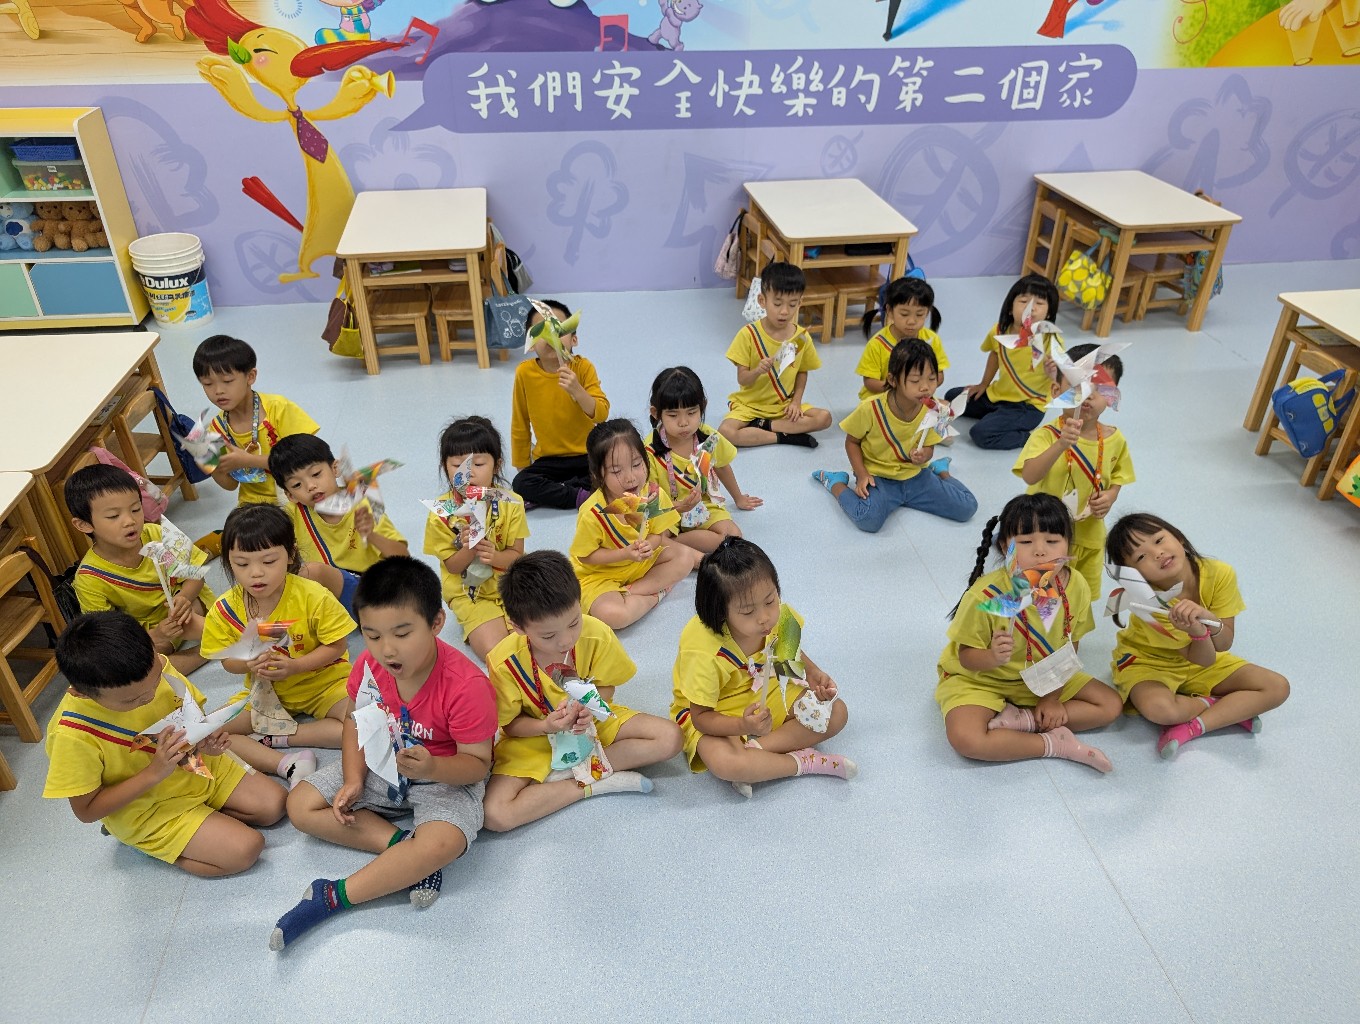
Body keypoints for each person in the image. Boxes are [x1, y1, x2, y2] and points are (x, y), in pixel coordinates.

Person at [271, 557, 498, 950]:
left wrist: (434, 767)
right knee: (300, 805)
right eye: (372, 635)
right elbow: (354, 722)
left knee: (442, 843)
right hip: (380, 764)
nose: (387, 649)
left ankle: (331, 896)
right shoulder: (369, 664)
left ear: (436, 622)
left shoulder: (467, 686)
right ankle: (404, 851)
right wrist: (354, 778)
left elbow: (478, 766)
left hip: (445, 777)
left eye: (402, 633)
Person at [43, 610, 285, 875]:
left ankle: (205, 822)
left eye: (156, 680)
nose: (149, 696)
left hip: (195, 767)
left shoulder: (154, 664)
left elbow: (190, 718)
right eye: (131, 700)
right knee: (246, 850)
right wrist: (154, 773)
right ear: (80, 693)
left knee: (274, 805)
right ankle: (145, 845)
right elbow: (87, 811)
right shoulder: (71, 735)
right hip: (148, 808)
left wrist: (206, 741)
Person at [481, 550, 682, 831]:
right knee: (495, 814)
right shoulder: (504, 663)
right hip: (533, 737)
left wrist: (591, 705)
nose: (566, 640)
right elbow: (510, 725)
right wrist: (546, 726)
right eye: (548, 635)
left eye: (574, 622)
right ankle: (594, 781)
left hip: (590, 724)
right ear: (517, 627)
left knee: (670, 738)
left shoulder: (595, 633)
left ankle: (569, 776)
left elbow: (607, 685)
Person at [938, 493, 1122, 771]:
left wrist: (1051, 697)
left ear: (1068, 544)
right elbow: (966, 658)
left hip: (1047, 674)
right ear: (1005, 546)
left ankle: (1021, 721)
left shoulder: (1077, 585)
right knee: (966, 739)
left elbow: (1071, 646)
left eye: (1052, 541)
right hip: (981, 679)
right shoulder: (983, 595)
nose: (1040, 551)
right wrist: (992, 657)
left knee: (1110, 705)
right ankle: (1054, 743)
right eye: (1025, 542)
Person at [670, 537, 855, 798]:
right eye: (748, 612)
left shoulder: (781, 615)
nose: (765, 618)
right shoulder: (702, 650)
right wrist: (742, 726)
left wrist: (813, 674)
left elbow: (787, 651)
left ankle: (757, 753)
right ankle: (804, 763)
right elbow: (700, 717)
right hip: (718, 710)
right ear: (720, 612)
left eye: (770, 601)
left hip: (767, 691)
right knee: (726, 763)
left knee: (836, 712)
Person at [1105, 513, 1290, 759]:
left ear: (1178, 538)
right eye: (1141, 557)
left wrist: (1208, 620)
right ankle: (1219, 706)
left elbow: (1224, 643)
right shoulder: (1149, 605)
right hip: (1148, 662)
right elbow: (1204, 658)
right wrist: (1199, 632)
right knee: (1161, 710)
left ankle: (1194, 726)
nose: (1157, 553)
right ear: (1135, 577)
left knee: (1277, 687)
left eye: (1159, 540)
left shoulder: (1220, 573)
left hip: (1201, 658)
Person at [200, 503, 355, 787]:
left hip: (325, 683)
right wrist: (248, 664)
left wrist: (296, 666)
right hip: (265, 692)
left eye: (269, 561)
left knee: (366, 724)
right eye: (242, 564)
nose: (256, 573)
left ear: (290, 554)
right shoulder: (224, 610)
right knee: (206, 734)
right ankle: (287, 764)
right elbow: (227, 661)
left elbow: (336, 645)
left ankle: (278, 737)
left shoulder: (313, 595)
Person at [812, 339, 978, 533]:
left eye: (932, 379)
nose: (925, 387)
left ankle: (941, 471)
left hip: (916, 476)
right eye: (915, 381)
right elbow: (852, 442)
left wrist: (925, 455)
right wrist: (862, 473)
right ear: (892, 380)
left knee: (968, 507)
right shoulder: (870, 408)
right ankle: (836, 483)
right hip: (879, 477)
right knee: (868, 520)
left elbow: (929, 445)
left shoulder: (934, 410)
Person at [67, 463, 213, 675]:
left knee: (193, 616)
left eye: (136, 509)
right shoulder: (89, 579)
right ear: (84, 525)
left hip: (186, 606)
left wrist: (184, 598)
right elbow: (110, 637)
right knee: (140, 667)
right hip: (147, 634)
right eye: (113, 516)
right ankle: (208, 650)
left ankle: (224, 635)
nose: (130, 521)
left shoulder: (156, 533)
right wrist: (157, 635)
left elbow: (195, 576)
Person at [1014, 343, 1134, 600]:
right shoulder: (1046, 435)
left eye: (1099, 388)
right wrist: (1060, 445)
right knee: (1039, 595)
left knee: (1081, 596)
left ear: (1112, 395)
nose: (1088, 395)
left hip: (1089, 535)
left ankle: (1072, 626)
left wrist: (1111, 496)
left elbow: (1119, 476)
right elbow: (1030, 476)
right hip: (1044, 535)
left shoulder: (1115, 439)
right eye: (1078, 386)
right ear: (1056, 390)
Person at [570, 419, 701, 630]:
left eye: (637, 464)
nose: (630, 478)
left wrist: (650, 544)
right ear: (597, 474)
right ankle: (655, 595)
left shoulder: (652, 493)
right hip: (599, 575)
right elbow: (585, 557)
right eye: (616, 471)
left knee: (685, 558)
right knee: (614, 616)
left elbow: (658, 534)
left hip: (639, 565)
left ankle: (631, 593)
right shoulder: (592, 512)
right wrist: (625, 554)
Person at [424, 415, 528, 662]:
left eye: (478, 464)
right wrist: (470, 547)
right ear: (444, 466)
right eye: (456, 465)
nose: (468, 473)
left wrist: (495, 556)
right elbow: (452, 566)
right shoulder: (442, 512)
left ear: (497, 465)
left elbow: (516, 557)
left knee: (536, 637)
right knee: (497, 651)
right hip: (469, 593)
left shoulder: (511, 503)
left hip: (509, 584)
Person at [268, 433, 409, 614]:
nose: (310, 486)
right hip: (332, 593)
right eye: (297, 485)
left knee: (310, 572)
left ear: (335, 468)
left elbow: (404, 558)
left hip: (377, 590)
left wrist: (371, 535)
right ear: (290, 495)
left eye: (316, 474)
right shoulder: (292, 515)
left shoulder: (362, 505)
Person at [646, 365, 762, 555]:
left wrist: (739, 498)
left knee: (734, 535)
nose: (683, 422)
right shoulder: (648, 451)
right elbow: (650, 502)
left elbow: (722, 466)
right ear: (656, 413)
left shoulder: (708, 437)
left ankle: (675, 545)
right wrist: (679, 507)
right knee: (653, 537)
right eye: (673, 415)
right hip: (668, 511)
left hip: (703, 505)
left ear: (703, 406)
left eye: (691, 412)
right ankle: (674, 544)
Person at [192, 334, 319, 506]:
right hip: (254, 503)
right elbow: (230, 485)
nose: (218, 390)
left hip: (299, 494)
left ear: (250, 376)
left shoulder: (277, 408)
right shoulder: (216, 429)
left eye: (227, 381)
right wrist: (210, 466)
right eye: (207, 384)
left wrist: (248, 460)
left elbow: (308, 459)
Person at [718, 261, 833, 449]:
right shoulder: (748, 335)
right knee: (726, 432)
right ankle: (785, 437)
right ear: (762, 300)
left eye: (792, 304)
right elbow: (743, 379)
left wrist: (796, 402)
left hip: (783, 405)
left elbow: (802, 372)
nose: (785, 311)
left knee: (824, 418)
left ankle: (764, 426)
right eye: (777, 304)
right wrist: (757, 371)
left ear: (800, 303)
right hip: (749, 406)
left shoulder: (801, 337)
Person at [510, 300, 610, 510]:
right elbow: (520, 421)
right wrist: (522, 465)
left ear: (574, 339)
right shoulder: (524, 373)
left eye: (559, 329)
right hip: (548, 459)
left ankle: (560, 492)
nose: (551, 335)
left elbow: (601, 414)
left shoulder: (583, 368)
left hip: (586, 455)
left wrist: (577, 390)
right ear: (530, 342)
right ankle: (578, 495)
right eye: (541, 330)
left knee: (609, 472)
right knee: (520, 483)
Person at [945, 274, 1063, 450]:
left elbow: (1062, 378)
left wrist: (1053, 373)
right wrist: (983, 384)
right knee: (952, 396)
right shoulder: (999, 331)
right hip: (998, 394)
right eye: (1024, 301)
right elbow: (995, 354)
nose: (1031, 308)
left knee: (981, 434)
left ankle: (1030, 437)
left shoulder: (1051, 341)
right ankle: (997, 417)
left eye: (1039, 303)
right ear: (1010, 308)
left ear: (1049, 313)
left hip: (1027, 406)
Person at [855, 276, 948, 401]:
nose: (911, 321)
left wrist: (925, 385)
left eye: (919, 314)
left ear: (927, 313)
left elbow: (939, 374)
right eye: (904, 314)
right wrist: (902, 389)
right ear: (889, 310)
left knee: (945, 407)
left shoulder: (931, 340)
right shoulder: (877, 344)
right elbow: (870, 382)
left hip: (917, 398)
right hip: (882, 398)